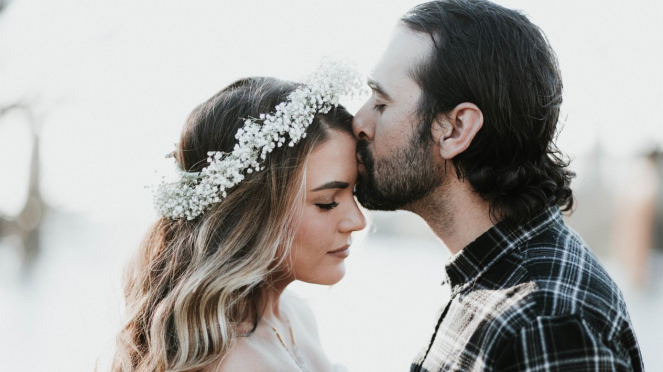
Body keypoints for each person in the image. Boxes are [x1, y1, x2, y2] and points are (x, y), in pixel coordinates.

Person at [352, 0, 644, 371]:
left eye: (381, 102)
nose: (359, 121)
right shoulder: (489, 277)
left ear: (456, 129)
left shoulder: (543, 321)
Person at [112, 63, 366, 372]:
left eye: (353, 194)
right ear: (251, 212)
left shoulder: (295, 315)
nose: (357, 221)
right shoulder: (232, 362)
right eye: (327, 202)